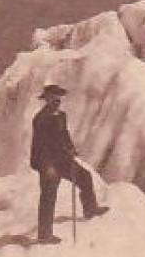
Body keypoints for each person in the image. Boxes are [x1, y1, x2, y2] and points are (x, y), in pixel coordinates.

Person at [31, 84, 107, 244]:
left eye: (59, 98)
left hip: (63, 159)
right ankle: (44, 235)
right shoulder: (40, 119)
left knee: (85, 177)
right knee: (48, 196)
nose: (57, 101)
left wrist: (71, 149)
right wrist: (47, 167)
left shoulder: (61, 116)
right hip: (47, 162)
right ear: (47, 99)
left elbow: (64, 136)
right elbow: (40, 146)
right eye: (53, 98)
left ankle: (90, 209)